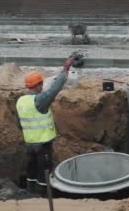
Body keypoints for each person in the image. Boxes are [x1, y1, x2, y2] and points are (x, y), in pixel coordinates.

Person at [16, 53, 82, 195]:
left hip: (29, 144)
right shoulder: (40, 101)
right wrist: (66, 67)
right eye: (41, 84)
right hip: (42, 146)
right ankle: (44, 197)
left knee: (31, 171)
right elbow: (56, 87)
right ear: (39, 85)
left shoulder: (20, 101)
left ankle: (30, 195)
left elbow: (19, 123)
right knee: (44, 174)